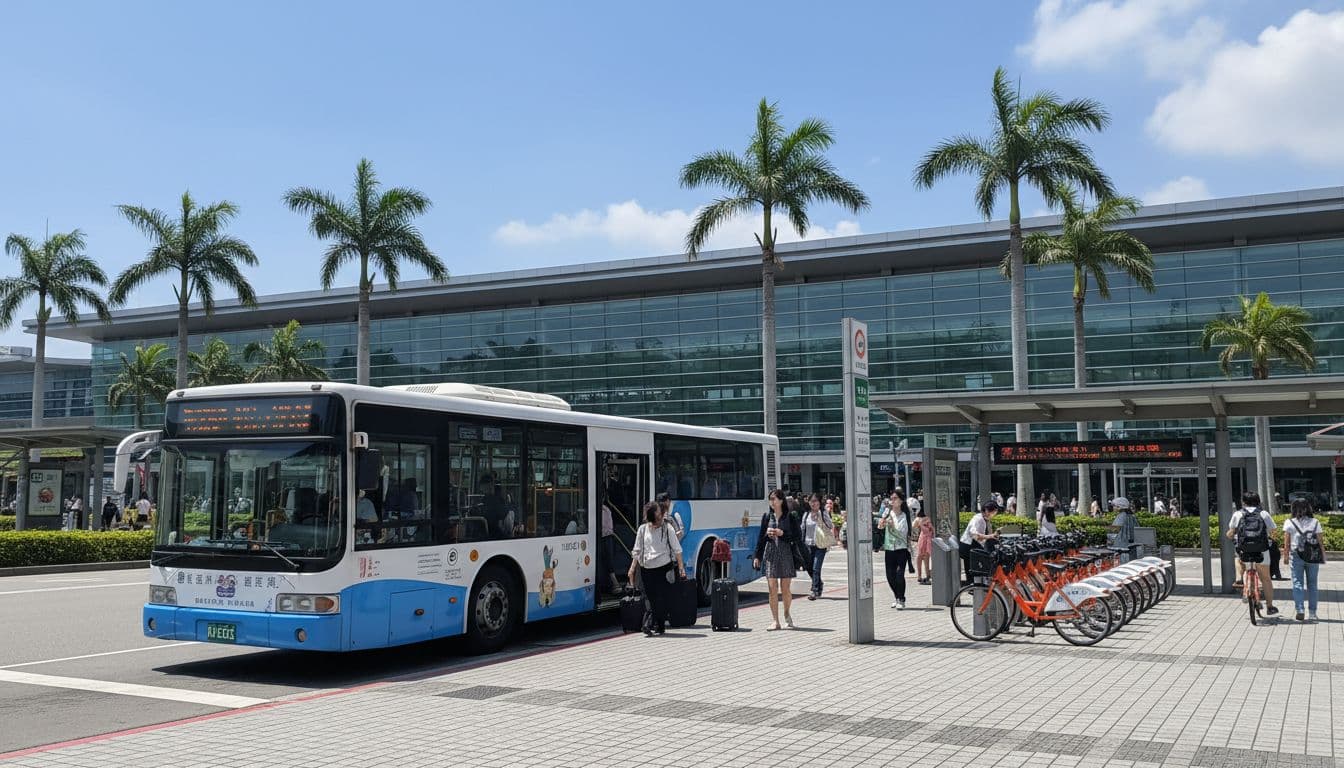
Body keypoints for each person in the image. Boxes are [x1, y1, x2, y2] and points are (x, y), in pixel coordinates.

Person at [627, 500, 685, 636]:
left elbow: (677, 549)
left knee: (660, 598)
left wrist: (681, 568)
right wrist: (632, 568)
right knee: (649, 598)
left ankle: (648, 624)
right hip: (646, 569)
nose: (658, 521)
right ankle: (658, 625)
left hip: (664, 568)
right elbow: (637, 550)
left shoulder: (667, 528)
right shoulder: (642, 529)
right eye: (657, 517)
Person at [753, 489, 799, 630]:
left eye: (774, 499)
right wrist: (757, 556)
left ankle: (786, 613)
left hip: (786, 553)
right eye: (770, 499)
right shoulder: (767, 517)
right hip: (771, 553)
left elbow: (797, 537)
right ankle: (775, 621)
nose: (772, 502)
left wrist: (782, 533)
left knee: (785, 589)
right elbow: (761, 538)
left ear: (781, 500)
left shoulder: (790, 516)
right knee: (772, 588)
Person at [1227, 490, 1278, 616]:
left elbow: (1231, 533)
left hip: (1244, 550)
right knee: (1266, 579)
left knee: (1238, 559)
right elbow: (1274, 532)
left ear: (1243, 502)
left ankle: (1240, 579)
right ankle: (1270, 606)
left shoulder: (1238, 514)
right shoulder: (1264, 514)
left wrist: (1230, 536)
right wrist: (1271, 539)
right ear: (1258, 501)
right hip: (1262, 551)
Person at [1282, 498, 1324, 622]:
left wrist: (1285, 556)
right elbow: (1320, 541)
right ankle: (1312, 613)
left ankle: (1300, 609)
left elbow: (1286, 543)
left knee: (1297, 583)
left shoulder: (1289, 522)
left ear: (1293, 509)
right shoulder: (1315, 522)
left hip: (1296, 555)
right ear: (1308, 508)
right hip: (1312, 555)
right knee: (1312, 584)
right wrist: (1322, 555)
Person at [880, 489, 913, 609]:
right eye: (891, 498)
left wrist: (893, 526)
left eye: (895, 498)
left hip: (901, 549)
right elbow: (880, 526)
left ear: (901, 501)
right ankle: (897, 597)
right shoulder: (888, 512)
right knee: (890, 576)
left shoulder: (905, 515)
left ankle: (902, 599)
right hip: (889, 548)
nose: (892, 501)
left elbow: (902, 533)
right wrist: (882, 522)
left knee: (899, 575)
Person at [960, 500, 1000, 585]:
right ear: (986, 510)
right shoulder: (978, 519)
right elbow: (975, 534)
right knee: (973, 566)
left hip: (970, 544)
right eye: (992, 512)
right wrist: (991, 536)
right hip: (968, 545)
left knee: (971, 566)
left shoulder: (983, 519)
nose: (993, 515)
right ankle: (973, 585)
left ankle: (972, 584)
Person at [802, 493, 829, 600]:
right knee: (809, 568)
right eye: (811, 501)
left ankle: (814, 590)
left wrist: (820, 519)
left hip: (820, 544)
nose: (813, 503)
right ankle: (819, 583)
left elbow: (830, 525)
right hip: (808, 544)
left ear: (819, 502)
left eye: (815, 501)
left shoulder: (823, 513)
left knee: (816, 568)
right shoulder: (806, 514)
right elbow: (802, 528)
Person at [599, 499, 620, 594]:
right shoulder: (606, 509)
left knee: (607, 561)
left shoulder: (603, 510)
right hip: (608, 537)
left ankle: (614, 583)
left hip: (605, 538)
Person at [914, 508, 934, 585]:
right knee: (926, 558)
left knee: (919, 557)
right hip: (929, 539)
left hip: (922, 539)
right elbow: (932, 529)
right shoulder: (928, 519)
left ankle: (919, 576)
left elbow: (913, 526)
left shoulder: (918, 519)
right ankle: (928, 575)